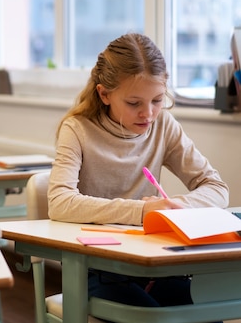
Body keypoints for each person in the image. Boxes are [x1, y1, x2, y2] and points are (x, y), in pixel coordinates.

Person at [47, 33, 228, 315]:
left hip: (155, 265)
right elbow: (60, 203)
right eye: (134, 104)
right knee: (160, 319)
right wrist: (143, 213)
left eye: (157, 100)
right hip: (98, 269)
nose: (149, 113)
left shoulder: (163, 125)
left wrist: (173, 209)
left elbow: (216, 187)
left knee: (212, 311)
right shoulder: (77, 130)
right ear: (104, 94)